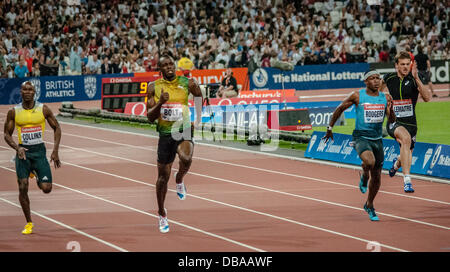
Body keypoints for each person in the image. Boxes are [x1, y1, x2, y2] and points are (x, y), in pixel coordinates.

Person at [323, 70, 395, 221]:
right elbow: (340, 108)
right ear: (365, 81)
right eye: (372, 78)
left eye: (378, 78)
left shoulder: (385, 97)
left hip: (377, 139)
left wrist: (392, 109)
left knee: (377, 177)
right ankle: (364, 175)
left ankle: (369, 204)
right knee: (369, 161)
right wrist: (330, 128)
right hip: (361, 136)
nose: (376, 81)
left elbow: (391, 120)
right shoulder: (357, 95)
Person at [146, 54, 202, 233]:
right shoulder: (153, 87)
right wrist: (160, 102)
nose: (170, 67)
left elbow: (199, 97)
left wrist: (198, 119)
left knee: (186, 158)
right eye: (165, 65)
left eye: (171, 64)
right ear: (160, 69)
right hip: (165, 134)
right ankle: (162, 213)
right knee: (162, 179)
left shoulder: (188, 83)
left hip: (183, 129)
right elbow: (149, 117)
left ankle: (179, 179)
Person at [3, 81, 62, 234]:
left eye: (30, 89)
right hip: (23, 153)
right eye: (25, 89)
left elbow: (57, 127)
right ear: (20, 92)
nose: (28, 92)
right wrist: (17, 148)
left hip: (39, 152)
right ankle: (29, 222)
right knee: (23, 187)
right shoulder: (14, 112)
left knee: (46, 189)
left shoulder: (43, 109)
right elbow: (6, 134)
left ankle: (35, 173)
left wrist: (55, 151)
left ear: (34, 92)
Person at [380, 51, 432, 193]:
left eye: (407, 64)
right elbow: (376, 92)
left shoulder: (414, 78)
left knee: (407, 152)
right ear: (396, 65)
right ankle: (407, 181)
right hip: (394, 122)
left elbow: (427, 98)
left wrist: (417, 78)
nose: (405, 67)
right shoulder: (389, 78)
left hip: (411, 124)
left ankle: (396, 164)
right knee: (406, 139)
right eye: (402, 64)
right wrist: (383, 96)